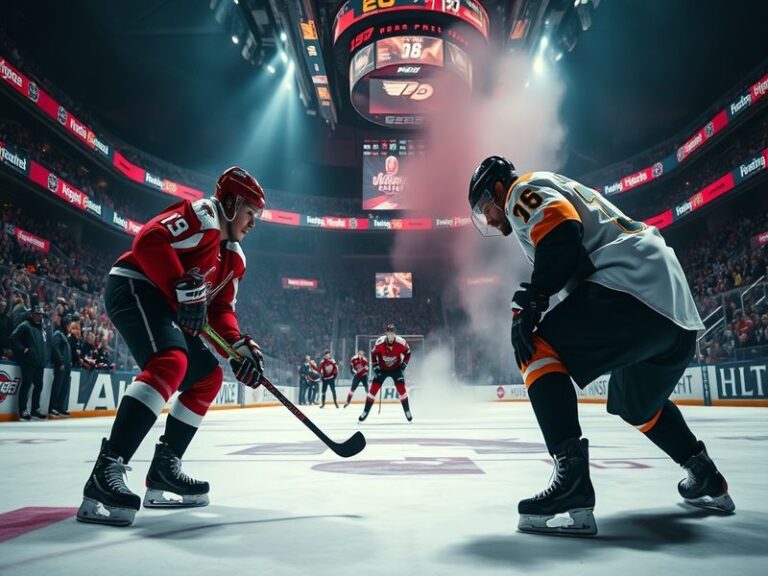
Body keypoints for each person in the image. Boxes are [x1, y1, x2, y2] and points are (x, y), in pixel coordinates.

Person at [467, 156, 734, 536]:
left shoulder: (519, 192)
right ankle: (704, 474)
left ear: (496, 188)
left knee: (535, 345)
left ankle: (572, 485)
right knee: (636, 403)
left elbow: (560, 230)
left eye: (484, 209)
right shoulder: (554, 188)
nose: (490, 220)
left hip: (633, 286)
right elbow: (568, 248)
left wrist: (533, 298)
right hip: (673, 310)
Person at [76, 166, 267, 527]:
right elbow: (148, 240)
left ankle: (164, 469)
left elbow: (220, 309)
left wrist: (237, 347)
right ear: (230, 202)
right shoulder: (204, 215)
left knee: (208, 377)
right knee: (170, 361)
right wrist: (179, 286)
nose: (254, 222)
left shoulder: (236, 259)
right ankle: (106, 471)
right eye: (250, 213)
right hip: (134, 285)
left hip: (165, 302)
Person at [359, 324, 411, 422]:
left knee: (402, 390)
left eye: (392, 332)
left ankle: (407, 411)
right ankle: (365, 412)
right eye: (389, 332)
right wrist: (375, 366)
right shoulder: (380, 342)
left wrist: (404, 364)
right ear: (386, 333)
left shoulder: (401, 342)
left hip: (396, 369)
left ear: (394, 333)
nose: (390, 334)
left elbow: (408, 353)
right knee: (373, 390)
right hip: (383, 369)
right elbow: (373, 353)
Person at [10, 304, 49, 420]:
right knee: (26, 385)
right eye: (38, 314)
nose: (40, 316)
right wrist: (23, 349)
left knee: (39, 386)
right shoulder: (25, 325)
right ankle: (22, 410)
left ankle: (35, 409)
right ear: (32, 315)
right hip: (28, 361)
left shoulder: (42, 327)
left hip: (39, 362)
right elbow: (13, 338)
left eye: (41, 314)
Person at [49, 314, 73, 416]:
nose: (70, 327)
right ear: (65, 325)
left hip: (67, 366)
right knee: (57, 387)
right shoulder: (58, 334)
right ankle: (52, 407)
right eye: (69, 325)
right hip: (61, 365)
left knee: (64, 387)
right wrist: (61, 361)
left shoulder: (65, 336)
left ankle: (60, 407)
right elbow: (55, 347)